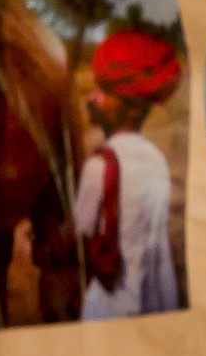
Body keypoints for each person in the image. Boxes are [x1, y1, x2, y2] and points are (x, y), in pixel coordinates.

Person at [71, 26, 185, 321]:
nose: (92, 99)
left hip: (114, 307)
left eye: (105, 92)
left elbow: (77, 238)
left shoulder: (100, 165)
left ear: (133, 110)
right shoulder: (156, 159)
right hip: (159, 299)